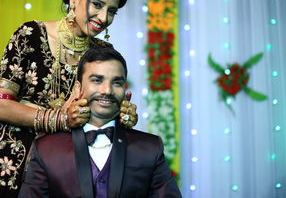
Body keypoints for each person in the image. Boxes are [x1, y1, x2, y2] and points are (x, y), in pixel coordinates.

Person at [0, 0, 138, 197]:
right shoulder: (31, 34)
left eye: (111, 11)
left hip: (60, 165)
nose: (103, 18)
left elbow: (94, 112)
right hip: (6, 156)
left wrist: (119, 114)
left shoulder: (103, 54)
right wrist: (60, 119)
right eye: (97, 5)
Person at [19, 46, 182, 198]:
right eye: (97, 80)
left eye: (116, 82)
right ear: (78, 88)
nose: (107, 91)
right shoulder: (46, 148)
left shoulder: (149, 147)